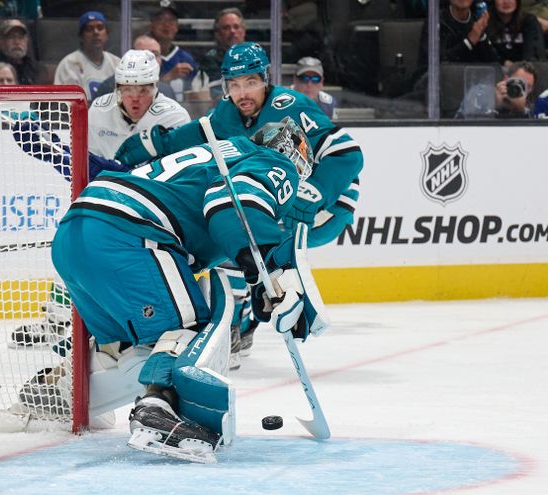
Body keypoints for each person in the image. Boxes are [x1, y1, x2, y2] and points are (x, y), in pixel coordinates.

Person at [51, 116, 326, 462]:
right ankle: (158, 410)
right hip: (131, 235)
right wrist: (274, 265)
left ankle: (58, 391)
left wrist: (261, 281)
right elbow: (233, 206)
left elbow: (216, 223)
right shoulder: (274, 162)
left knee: (128, 346)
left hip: (75, 234)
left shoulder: (220, 153)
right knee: (189, 328)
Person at [115, 43, 363, 363]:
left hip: (330, 202)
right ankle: (243, 323)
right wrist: (152, 145)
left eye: (250, 82)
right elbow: (195, 135)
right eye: (234, 84)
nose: (242, 92)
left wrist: (316, 192)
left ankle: (268, 312)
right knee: (230, 233)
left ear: (265, 79)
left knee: (246, 233)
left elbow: (347, 151)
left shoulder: (291, 105)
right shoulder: (227, 113)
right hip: (284, 195)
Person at [10, 50, 190, 353]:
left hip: (156, 211)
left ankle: (111, 325)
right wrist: (59, 154)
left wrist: (61, 154)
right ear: (118, 88)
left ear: (155, 88)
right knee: (78, 239)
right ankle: (57, 318)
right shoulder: (96, 114)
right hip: (108, 199)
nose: (136, 98)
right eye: (128, 89)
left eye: (144, 90)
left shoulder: (174, 118)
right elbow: (85, 169)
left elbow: (161, 180)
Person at [53, 11, 119, 102]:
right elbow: (65, 104)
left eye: (100, 28)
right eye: (89, 29)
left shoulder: (117, 63)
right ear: (81, 36)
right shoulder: (69, 64)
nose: (96, 32)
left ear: (107, 34)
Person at [96, 35, 176, 100]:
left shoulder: (167, 90)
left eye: (155, 55)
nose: (150, 60)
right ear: (131, 56)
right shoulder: (110, 87)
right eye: (144, 55)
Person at [147, 3, 197, 98]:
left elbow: (193, 94)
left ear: (177, 27)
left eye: (171, 20)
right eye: (160, 19)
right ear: (152, 25)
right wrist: (167, 78)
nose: (166, 24)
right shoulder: (142, 55)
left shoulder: (186, 59)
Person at [458, 59, 537, 117]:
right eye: (519, 82)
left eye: (528, 86)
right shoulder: (479, 93)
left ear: (531, 90)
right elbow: (460, 124)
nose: (521, 88)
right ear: (506, 79)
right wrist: (494, 105)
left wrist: (521, 112)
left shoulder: (532, 110)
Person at [197, 7, 246, 100]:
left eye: (236, 27)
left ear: (243, 31)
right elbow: (216, 92)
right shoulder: (210, 60)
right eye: (226, 28)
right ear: (217, 34)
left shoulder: (255, 57)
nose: (232, 31)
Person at [0, 18, 50, 85]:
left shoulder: (38, 70)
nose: (17, 42)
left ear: (26, 41)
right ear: (0, 42)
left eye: (21, 37)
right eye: (11, 37)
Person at [487, 0, 546, 64]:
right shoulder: (485, 22)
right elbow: (484, 54)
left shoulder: (529, 21)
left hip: (525, 69)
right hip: (494, 69)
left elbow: (534, 53)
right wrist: (504, 62)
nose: (506, 2)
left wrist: (523, 68)